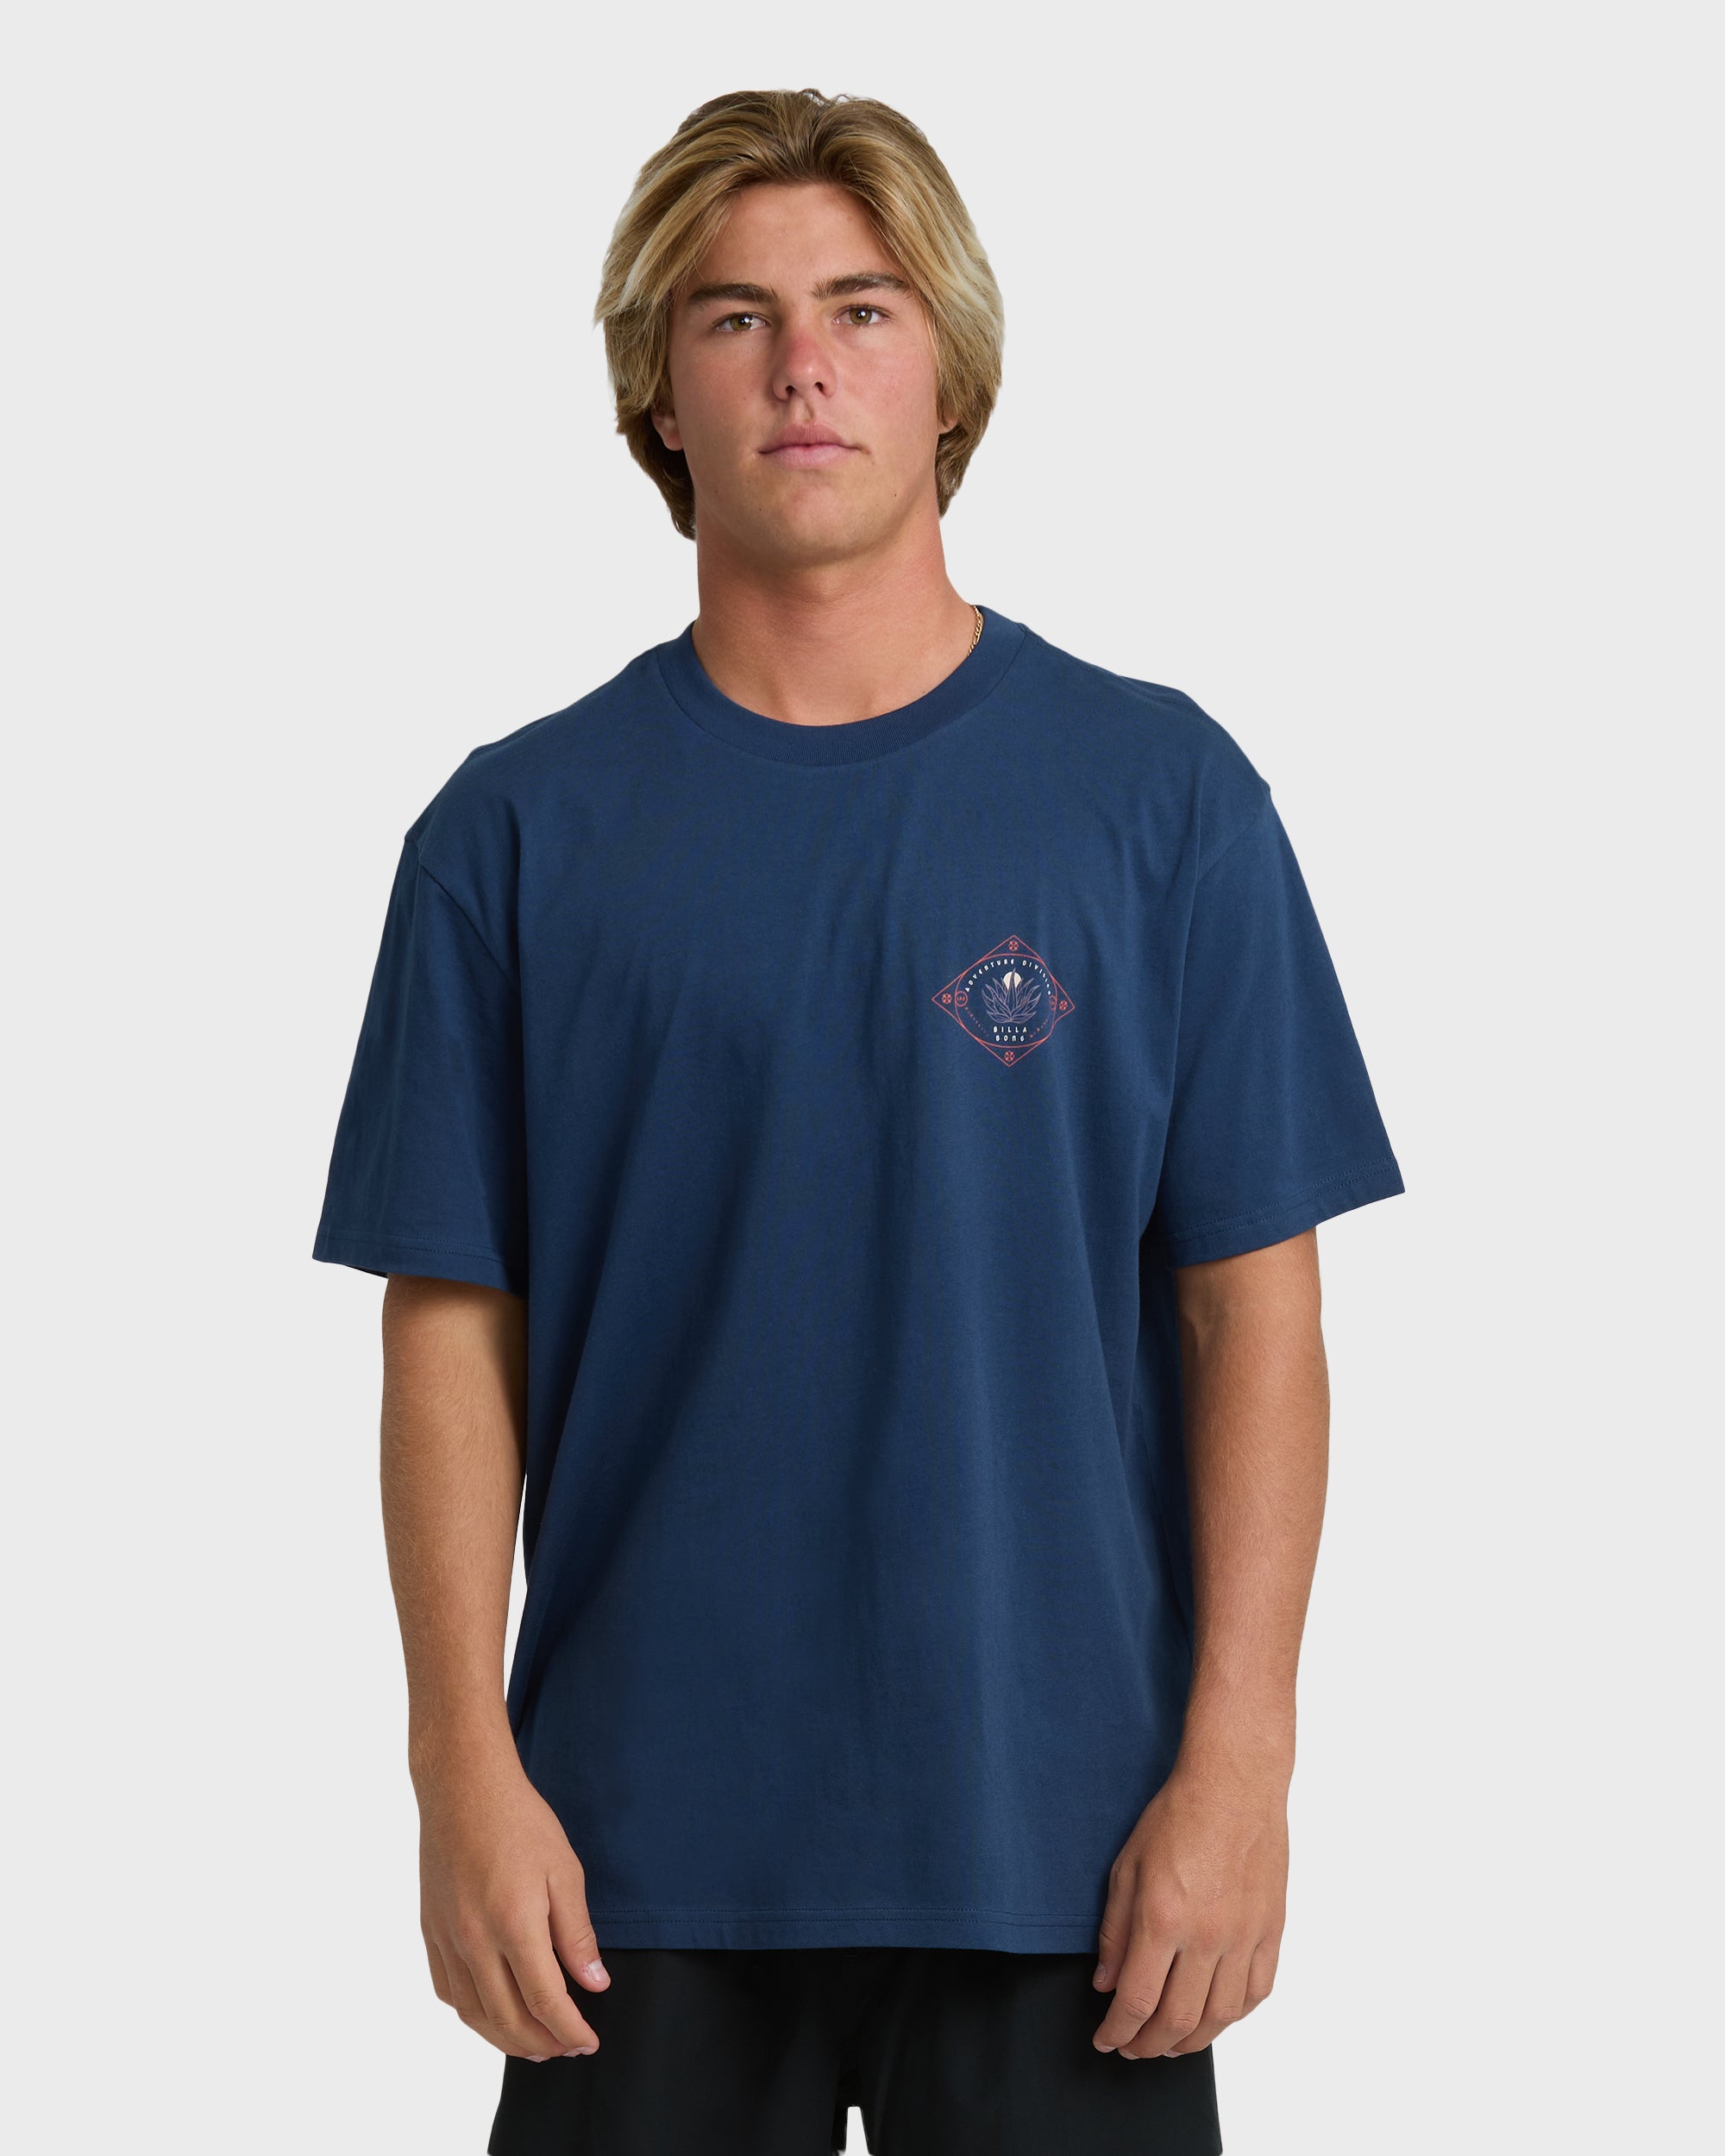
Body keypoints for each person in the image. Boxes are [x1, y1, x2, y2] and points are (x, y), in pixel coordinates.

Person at [313, 85, 1403, 2156]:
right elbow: (450, 1325)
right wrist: (458, 1765)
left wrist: (1241, 1762)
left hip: (1064, 1848)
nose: (799, 364)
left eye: (860, 308)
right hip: (624, 1857)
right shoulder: (509, 837)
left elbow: (1251, 1308)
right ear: (660, 394)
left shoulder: (1160, 801)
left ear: (949, 374)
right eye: (733, 317)